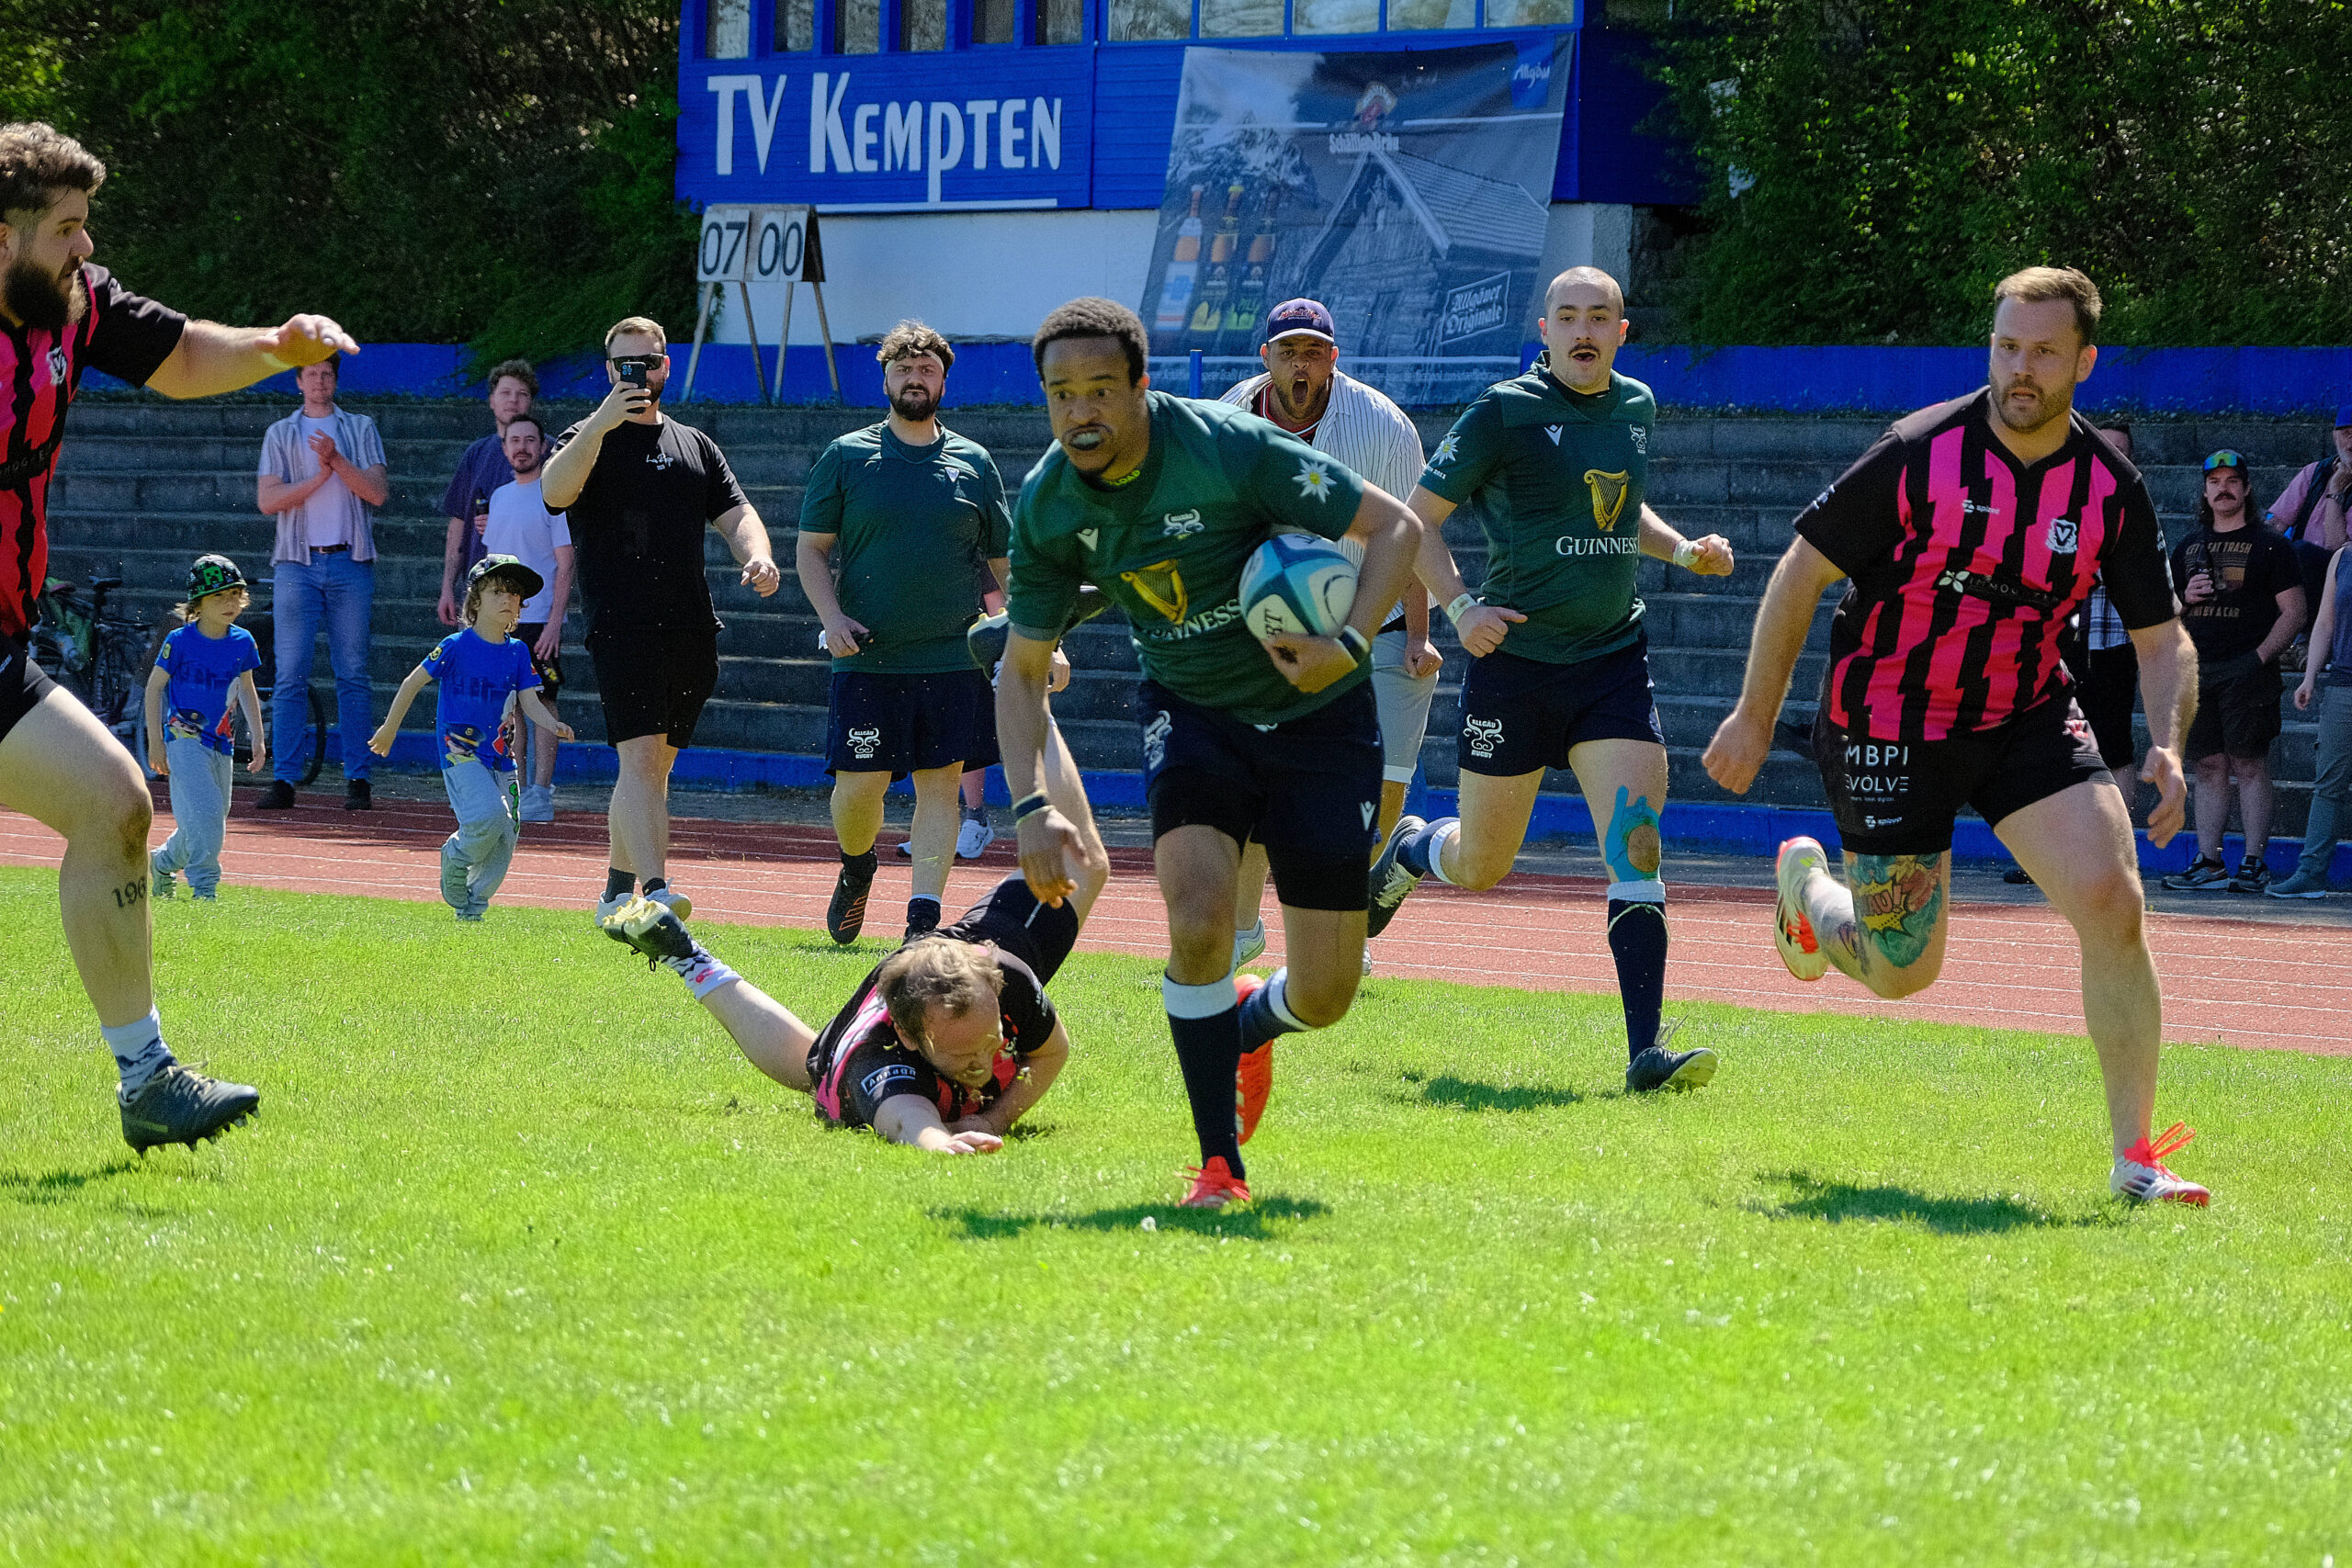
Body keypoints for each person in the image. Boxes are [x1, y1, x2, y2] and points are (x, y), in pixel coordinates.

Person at [1702, 265, 2211, 1207]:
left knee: (2112, 898)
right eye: (2006, 347)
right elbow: (1797, 575)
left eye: (2043, 352)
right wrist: (1752, 715)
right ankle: (1811, 895)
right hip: (1889, 718)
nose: (2020, 368)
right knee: (1903, 973)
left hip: (2021, 710)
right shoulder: (1914, 452)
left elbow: (2160, 634)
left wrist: (2168, 745)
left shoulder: (2108, 485)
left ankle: (2136, 1159)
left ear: (2082, 362)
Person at [997, 297, 1422, 1210]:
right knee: (1196, 922)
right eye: (1061, 395)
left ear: (1141, 387)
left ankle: (1248, 1020)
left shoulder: (1230, 447)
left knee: (1325, 995)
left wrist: (1345, 645)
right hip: (1192, 714)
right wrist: (1032, 809)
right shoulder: (1046, 505)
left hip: (1324, 721)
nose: (1081, 413)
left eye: (1101, 391)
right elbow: (1021, 670)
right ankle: (1218, 1167)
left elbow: (1396, 528)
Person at [0, 120, 355, 1149]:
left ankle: (147, 1079)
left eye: (84, 226)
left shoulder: (75, 302)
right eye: (64, 229)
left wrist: (278, 349)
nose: (84, 248)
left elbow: (179, 352)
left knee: (114, 806)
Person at [1363, 268, 1736, 1094]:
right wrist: (1459, 609)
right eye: (1567, 316)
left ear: (1622, 331)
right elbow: (1412, 519)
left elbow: (1619, 509)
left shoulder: (1634, 407)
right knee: (1483, 863)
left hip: (1611, 662)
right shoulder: (1504, 410)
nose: (1583, 330)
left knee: (1636, 845)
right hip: (1516, 670)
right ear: (1544, 329)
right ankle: (1419, 846)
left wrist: (1683, 551)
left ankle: (1646, 1053)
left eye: (1598, 317)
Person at [602, 711, 1108, 1150]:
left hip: (947, 957)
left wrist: (993, 1117)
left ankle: (1023, 688)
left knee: (1086, 863)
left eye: (990, 1042)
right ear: (910, 1039)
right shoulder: (879, 1066)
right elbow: (911, 1121)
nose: (982, 1063)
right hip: (874, 1040)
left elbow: (1050, 1050)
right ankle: (688, 957)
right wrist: (941, 1144)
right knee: (819, 1068)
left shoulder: (1007, 976)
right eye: (961, 1053)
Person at [538, 315, 782, 925]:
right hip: (621, 622)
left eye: (647, 362)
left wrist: (759, 555)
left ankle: (616, 894)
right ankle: (656, 889)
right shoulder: (583, 436)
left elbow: (737, 513)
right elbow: (554, 490)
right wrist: (601, 420)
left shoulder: (695, 444)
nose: (638, 373)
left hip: (691, 624)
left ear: (666, 366)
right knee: (643, 760)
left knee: (651, 767)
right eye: (625, 364)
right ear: (607, 371)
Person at [1217, 297, 1434, 976]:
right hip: (1273, 633)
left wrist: (1421, 634)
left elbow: (1414, 535)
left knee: (1378, 796)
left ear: (1334, 359)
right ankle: (1243, 928)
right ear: (1266, 359)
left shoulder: (1384, 427)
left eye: (1314, 351)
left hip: (1375, 626)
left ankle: (1347, 923)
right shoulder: (1227, 419)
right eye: (1289, 351)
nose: (1301, 363)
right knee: (1256, 787)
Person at [795, 321, 1017, 945]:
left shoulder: (975, 462)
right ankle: (857, 864)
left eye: (925, 369)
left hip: (952, 654)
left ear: (943, 379)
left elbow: (1003, 562)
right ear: (885, 377)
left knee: (940, 785)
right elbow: (811, 552)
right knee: (857, 787)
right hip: (868, 656)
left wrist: (1030, 630)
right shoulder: (846, 456)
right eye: (902, 368)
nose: (914, 378)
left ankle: (923, 920)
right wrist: (831, 617)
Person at [368, 556, 573, 921]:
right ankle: (456, 856)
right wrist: (389, 728)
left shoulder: (518, 651)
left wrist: (552, 725)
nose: (508, 599)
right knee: (490, 816)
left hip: (500, 757)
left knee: (507, 834)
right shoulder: (455, 646)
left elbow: (530, 701)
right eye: (498, 591)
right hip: (460, 751)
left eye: (514, 593)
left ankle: (473, 907)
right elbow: (412, 682)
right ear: (475, 600)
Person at [2157, 450, 2303, 894]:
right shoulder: (2188, 546)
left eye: (2232, 480)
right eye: (2215, 481)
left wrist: (2259, 657)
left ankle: (2255, 862)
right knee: (2209, 764)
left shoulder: (2272, 545)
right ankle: (2209, 861)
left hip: (2249, 668)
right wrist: (2188, 600)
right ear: (2204, 491)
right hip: (2199, 669)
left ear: (2246, 488)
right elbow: (2167, 615)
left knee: (2249, 763)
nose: (2224, 488)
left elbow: (2294, 612)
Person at [2007, 422, 2143, 886]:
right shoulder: (2053, 499)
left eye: (2120, 450)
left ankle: (2114, 857)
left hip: (2112, 645)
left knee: (2114, 749)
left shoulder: (2133, 508)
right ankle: (2045, 857)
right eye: (2103, 446)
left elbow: (2151, 590)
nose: (2109, 455)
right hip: (2052, 645)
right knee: (2044, 749)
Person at [254, 352, 389, 811]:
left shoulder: (360, 428)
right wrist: (319, 477)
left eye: (326, 374)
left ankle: (358, 778)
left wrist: (336, 461)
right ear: (298, 381)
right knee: (290, 672)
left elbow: (376, 492)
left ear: (334, 380)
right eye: (311, 374)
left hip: (350, 562)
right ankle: (284, 779)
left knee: (353, 672)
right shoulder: (281, 433)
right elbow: (268, 501)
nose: (319, 382)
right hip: (296, 562)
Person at [144, 554, 266, 900]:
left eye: (235, 595)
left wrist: (258, 737)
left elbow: (247, 688)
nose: (229, 603)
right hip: (183, 740)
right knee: (208, 813)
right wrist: (157, 742)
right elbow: (154, 689)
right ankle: (204, 888)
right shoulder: (179, 641)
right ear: (198, 602)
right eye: (218, 596)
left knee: (209, 818)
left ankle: (163, 861)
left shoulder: (243, 642)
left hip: (222, 744)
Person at [480, 412, 573, 823]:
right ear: (504, 448)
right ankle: (514, 787)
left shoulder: (553, 497)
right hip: (502, 622)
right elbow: (490, 567)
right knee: (510, 708)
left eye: (530, 440)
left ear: (543, 447)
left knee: (543, 703)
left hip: (539, 622)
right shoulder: (498, 497)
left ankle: (541, 791)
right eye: (514, 440)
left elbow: (565, 564)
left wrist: (555, 622)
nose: (521, 447)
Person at [2276, 540, 2352, 898]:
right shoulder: (2342, 558)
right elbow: (2324, 622)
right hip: (2343, 684)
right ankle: (2310, 873)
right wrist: (2309, 676)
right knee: (2329, 783)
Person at [437, 358, 538, 626]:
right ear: (491, 400)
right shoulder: (476, 454)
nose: (513, 401)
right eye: (505, 393)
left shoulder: (549, 452)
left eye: (522, 394)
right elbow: (458, 524)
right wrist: (447, 586)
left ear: (531, 402)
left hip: (532, 593)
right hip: (479, 588)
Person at [2260, 404, 2352, 649]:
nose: (2351, 441)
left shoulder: (2332, 482)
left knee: (2303, 553)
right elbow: (2278, 522)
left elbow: (2337, 547)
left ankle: (2303, 640)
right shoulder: (2315, 472)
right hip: (2303, 573)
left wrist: (2335, 492)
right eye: (2346, 433)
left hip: (2342, 579)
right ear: (2335, 437)